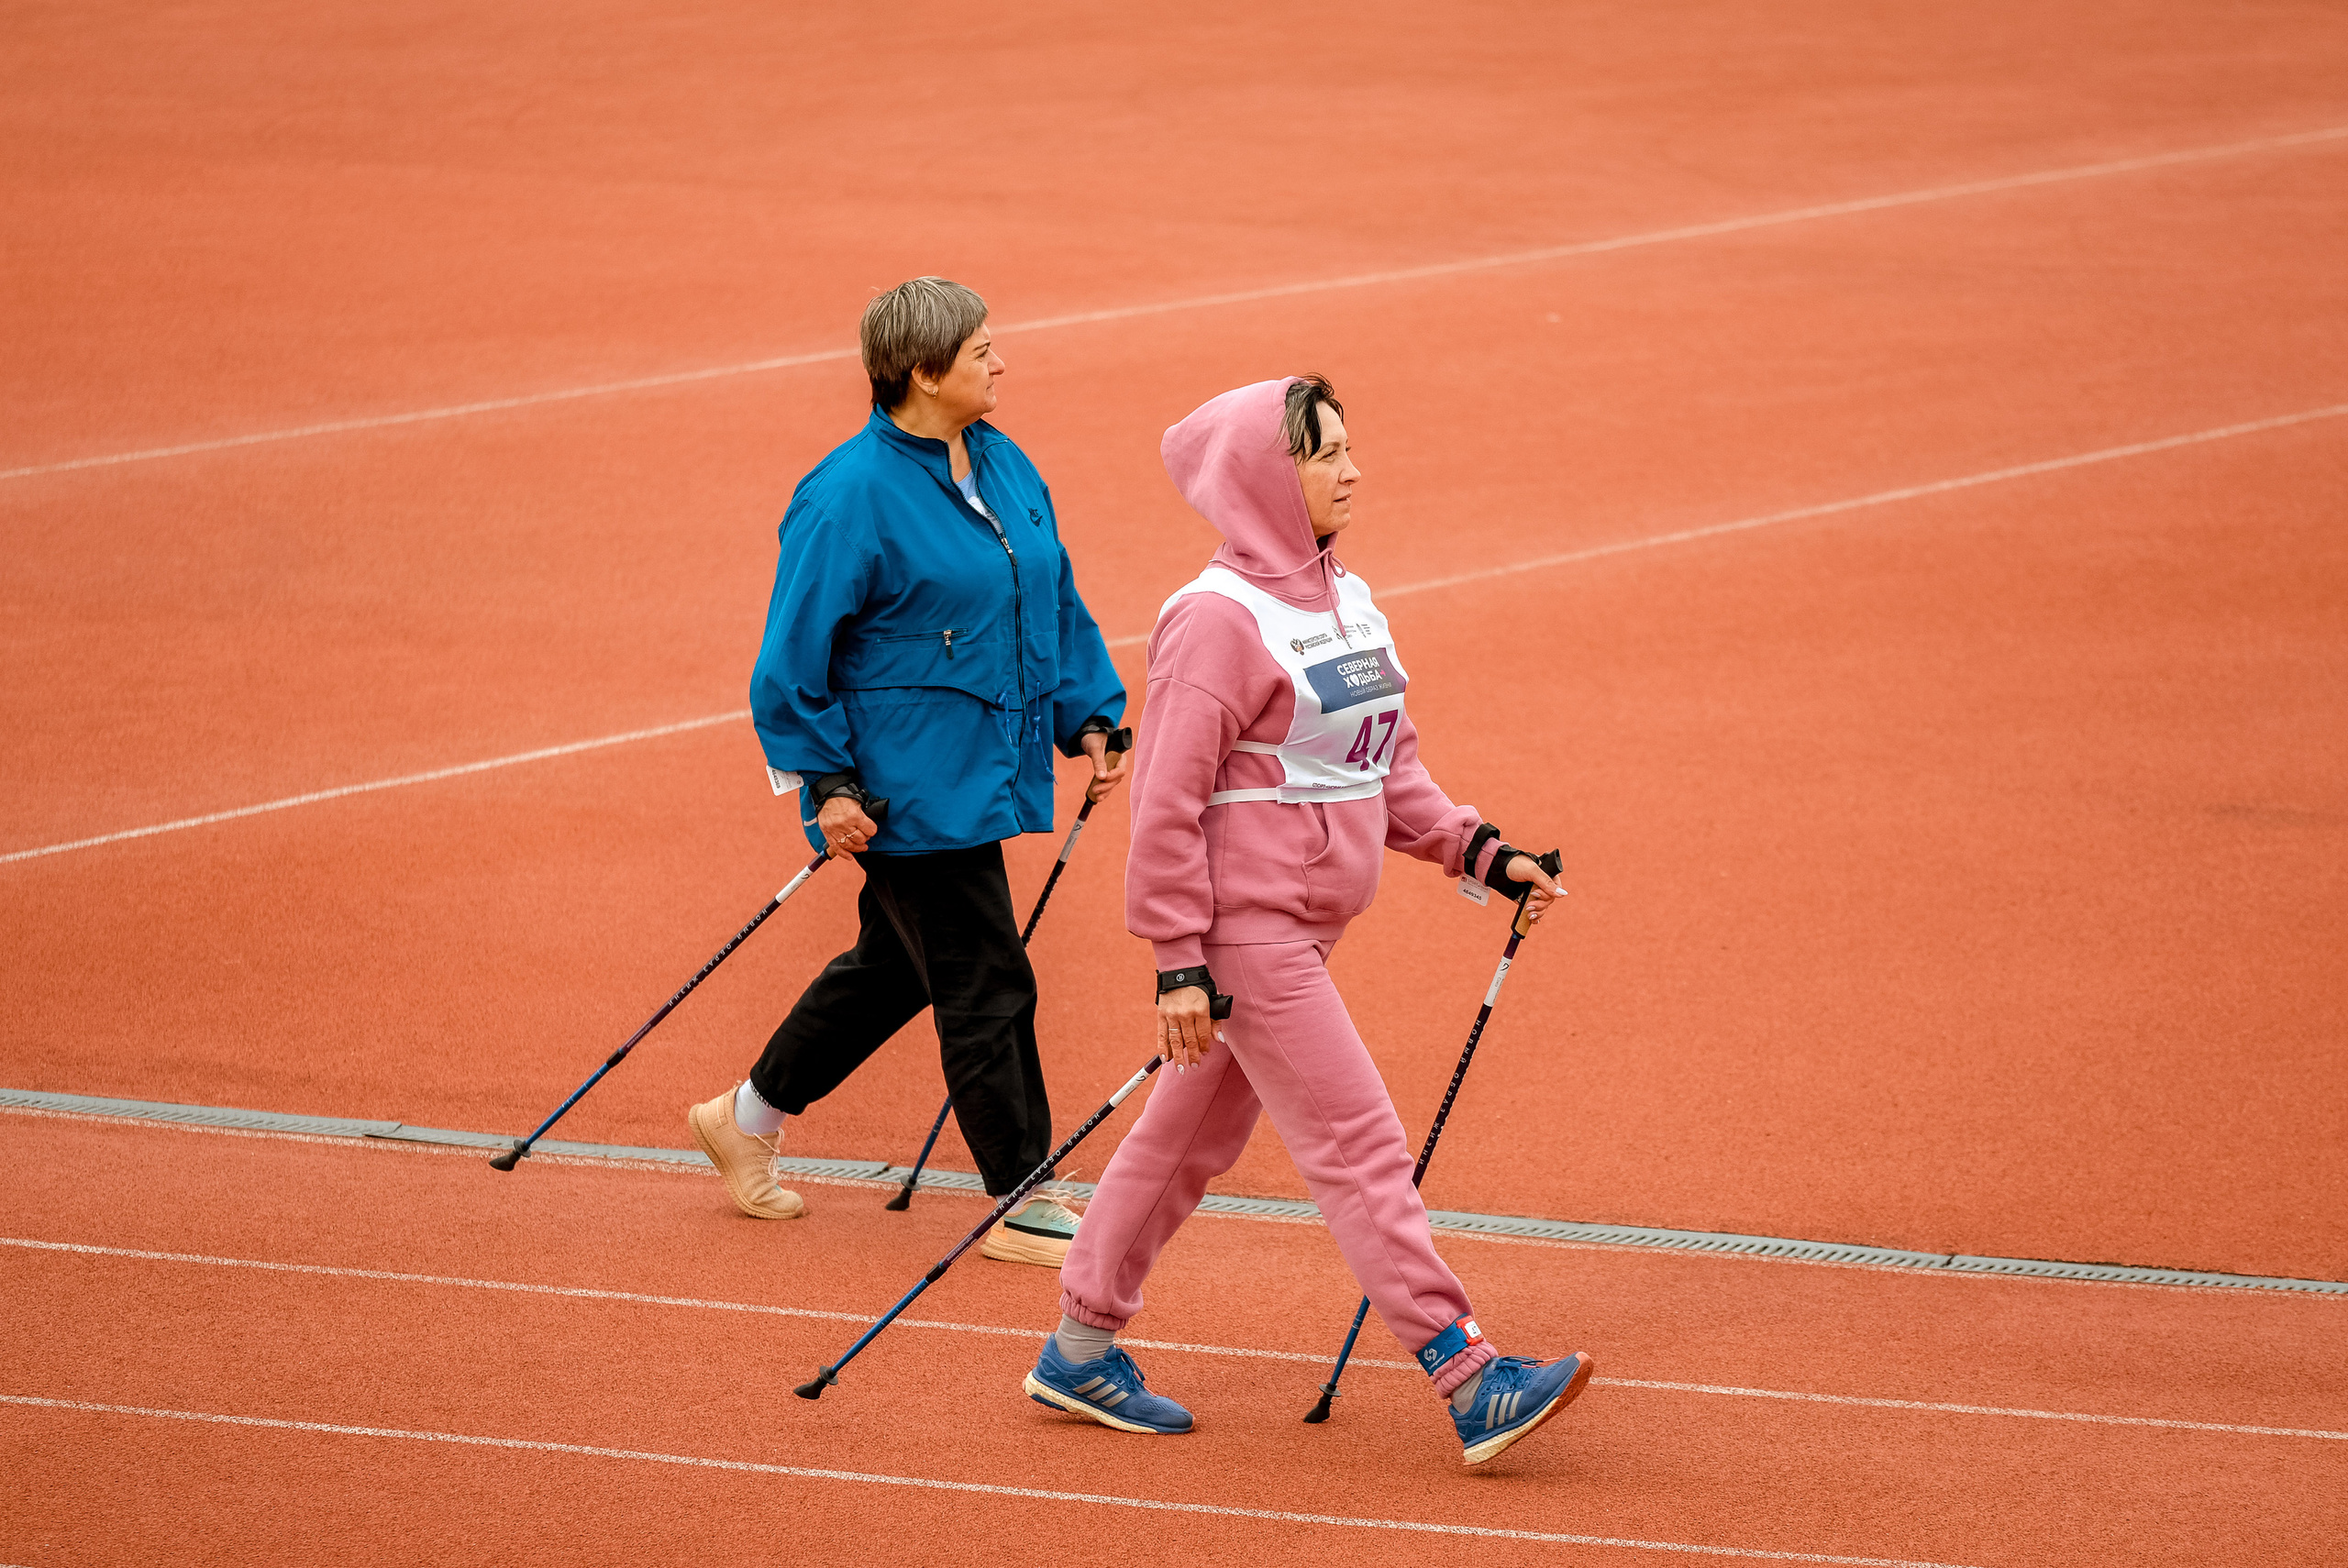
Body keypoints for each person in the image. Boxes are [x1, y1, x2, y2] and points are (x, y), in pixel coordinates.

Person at [1019, 376, 1593, 1463]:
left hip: (1302, 927)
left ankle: (1078, 1350)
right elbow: (1165, 805)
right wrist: (1178, 963)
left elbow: (1387, 764)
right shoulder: (1212, 622)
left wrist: (1479, 849)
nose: (1350, 470)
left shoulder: (1347, 600)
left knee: (1185, 1139)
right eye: (1323, 454)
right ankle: (1470, 1379)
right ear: (1266, 478)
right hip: (1245, 934)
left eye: (1345, 449)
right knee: (1360, 1142)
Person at [686, 277, 1127, 1268]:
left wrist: (1090, 715)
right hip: (905, 789)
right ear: (923, 372)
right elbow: (789, 660)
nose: (1000, 363)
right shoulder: (845, 497)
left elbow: (1050, 598)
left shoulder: (1006, 464)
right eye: (980, 352)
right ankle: (1021, 1194)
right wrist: (828, 785)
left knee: (895, 969)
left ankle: (743, 1117)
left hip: (984, 766)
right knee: (986, 978)